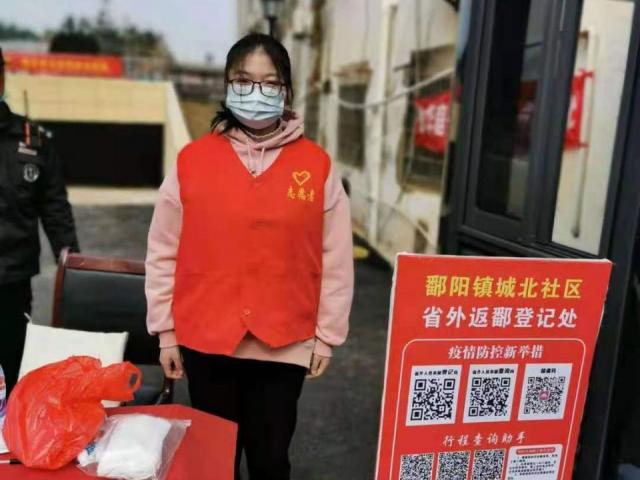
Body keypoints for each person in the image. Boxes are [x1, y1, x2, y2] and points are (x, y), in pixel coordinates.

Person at [145, 33, 354, 479]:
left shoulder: (316, 166)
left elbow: (336, 257)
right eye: (243, 80)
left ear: (287, 90)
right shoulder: (191, 161)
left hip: (284, 341)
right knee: (215, 462)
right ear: (227, 84)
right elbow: (163, 252)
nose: (256, 92)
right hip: (206, 339)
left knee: (270, 460)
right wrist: (166, 332)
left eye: (270, 82)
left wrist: (326, 335)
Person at [0, 48, 80, 394]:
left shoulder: (32, 140)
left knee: (14, 373)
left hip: (12, 283)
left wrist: (73, 266)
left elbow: (55, 208)